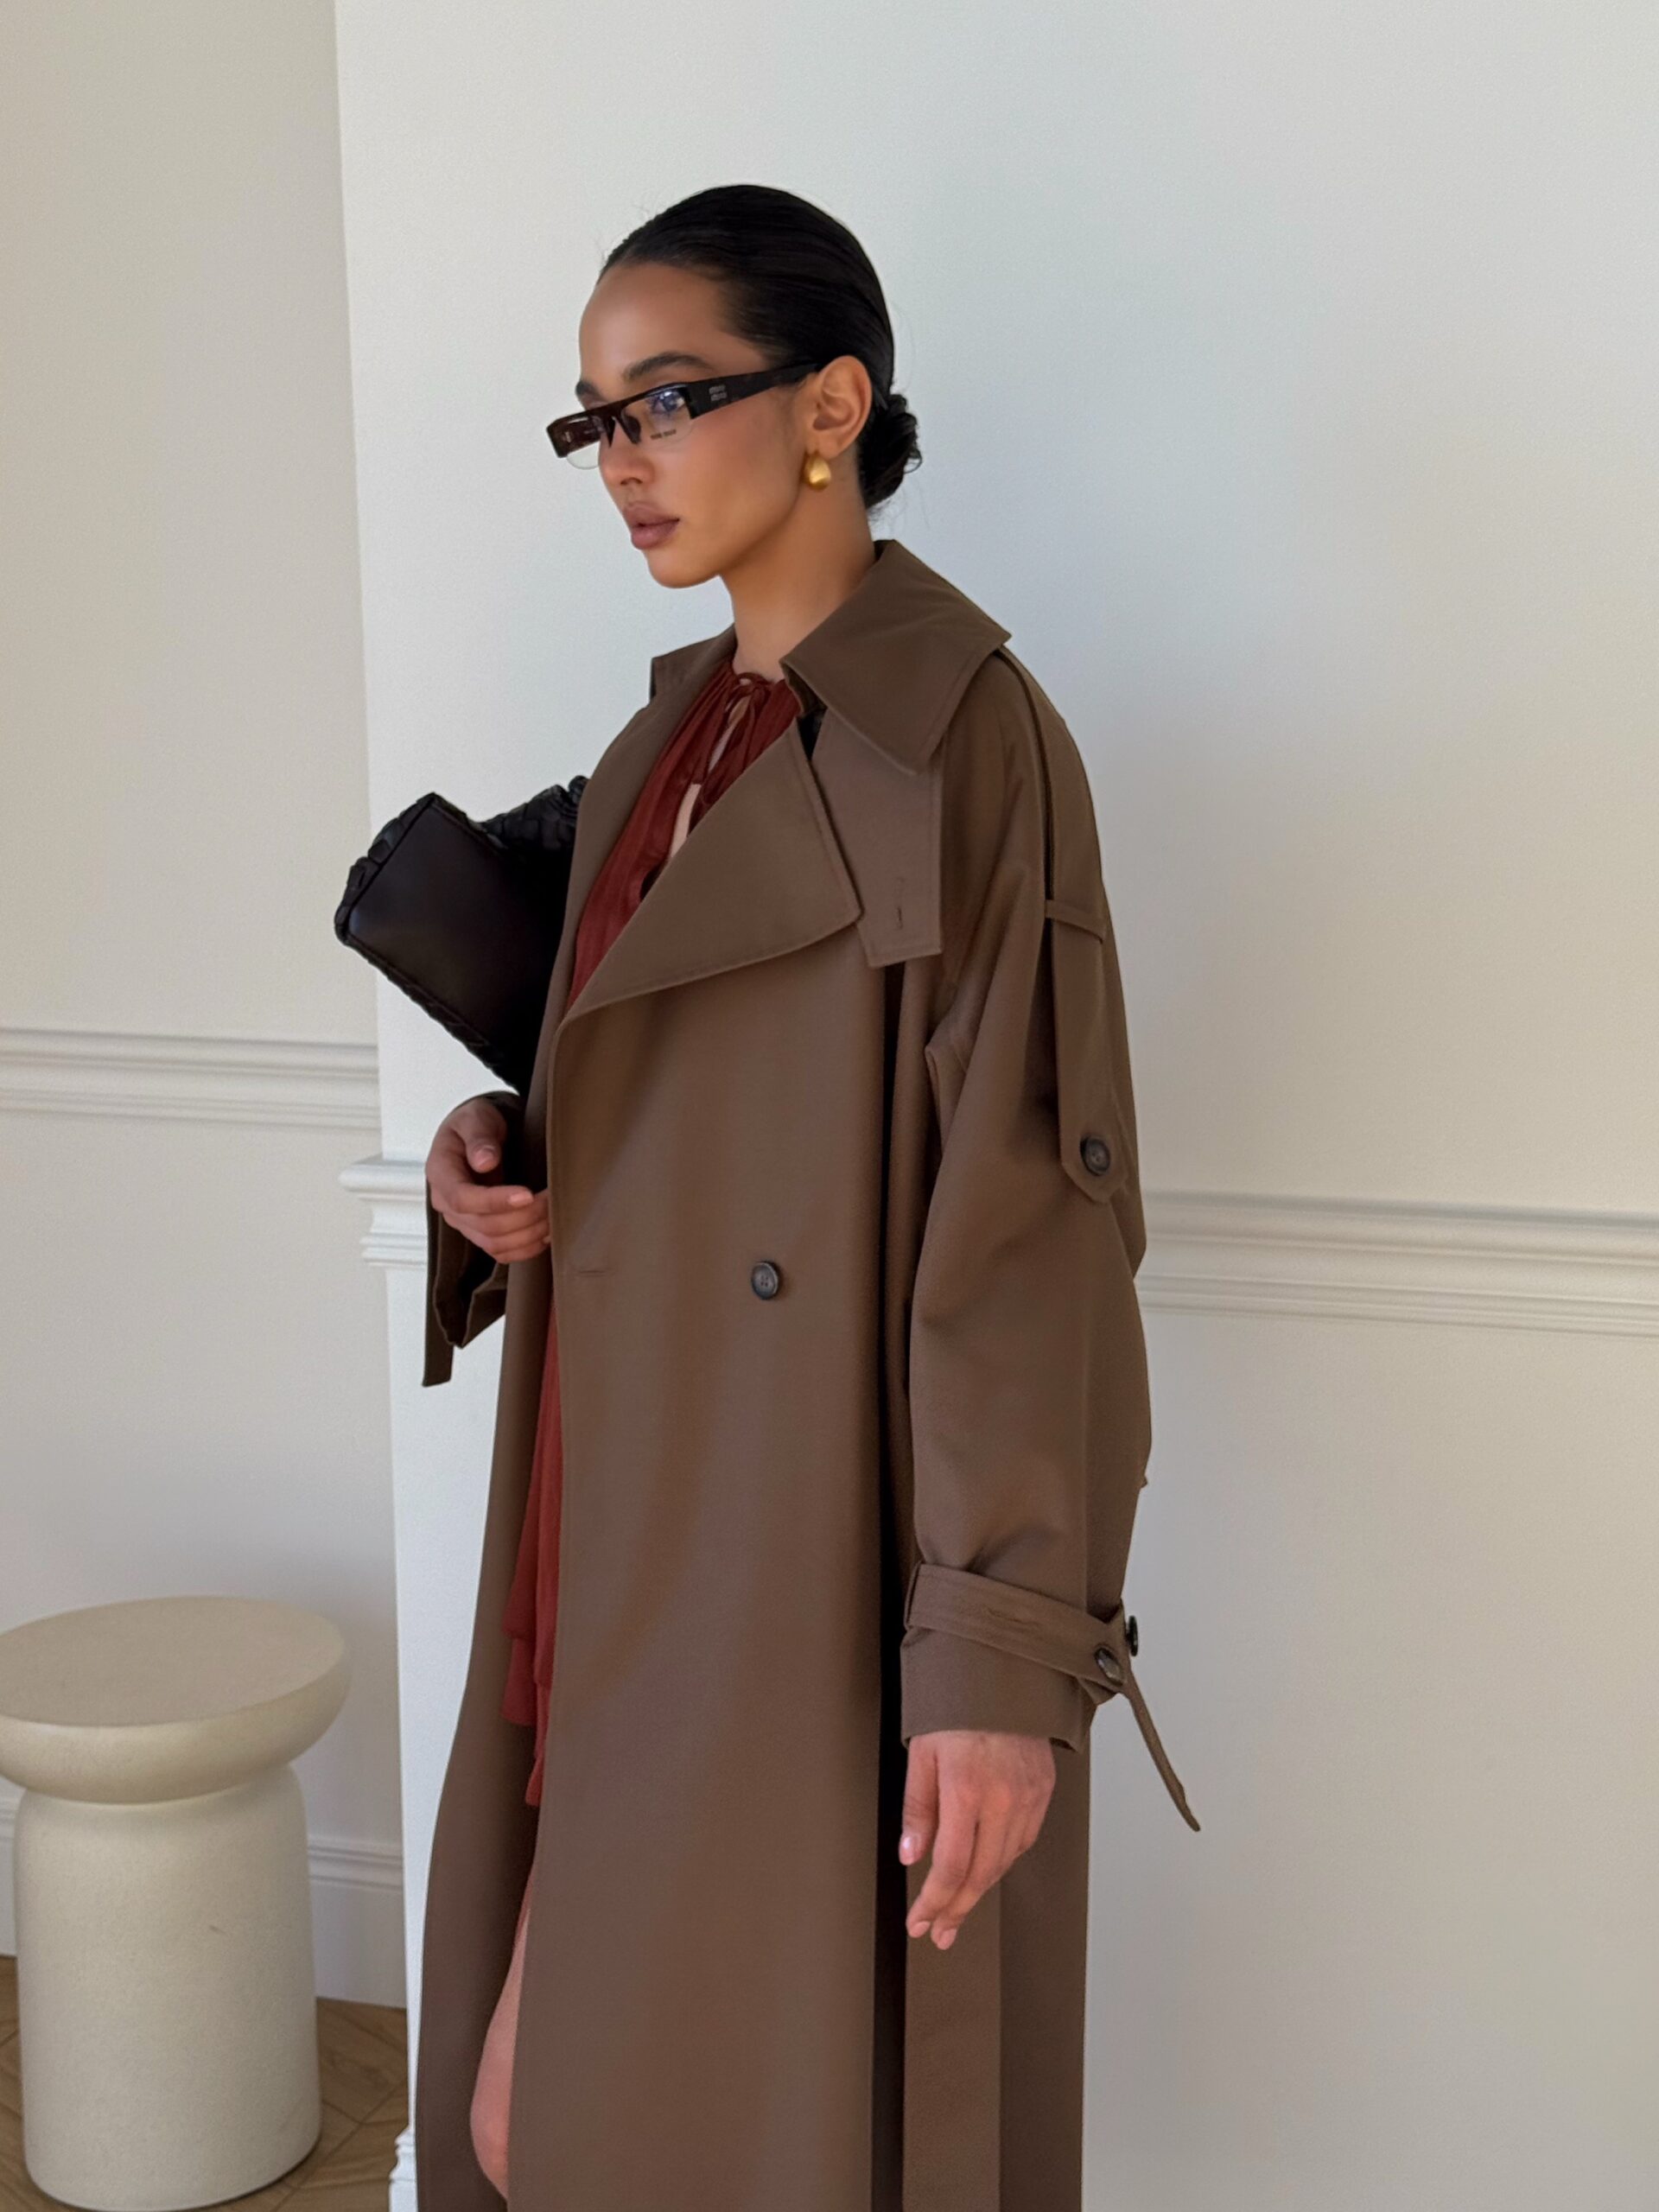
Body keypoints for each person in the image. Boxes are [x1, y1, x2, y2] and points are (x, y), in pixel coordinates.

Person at [417, 181, 1197, 2212]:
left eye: (669, 401)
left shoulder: (971, 742)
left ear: (833, 403)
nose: (624, 461)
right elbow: (652, 1101)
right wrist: (493, 1161)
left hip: (811, 1548)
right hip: (611, 1509)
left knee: (766, 2118)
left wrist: (999, 1655)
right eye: (595, 419)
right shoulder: (661, 742)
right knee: (538, 2110)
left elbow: (1027, 1217)